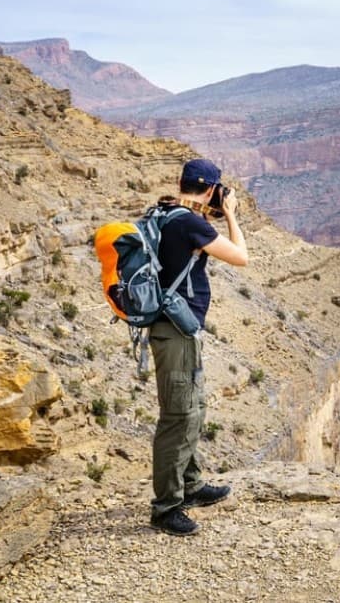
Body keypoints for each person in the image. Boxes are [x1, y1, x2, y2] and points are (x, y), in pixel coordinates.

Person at [148, 157, 248, 536]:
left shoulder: (166, 211)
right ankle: (166, 508)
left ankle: (190, 486)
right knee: (178, 415)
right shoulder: (190, 222)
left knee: (193, 406)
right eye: (217, 190)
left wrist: (210, 210)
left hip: (174, 328)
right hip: (174, 330)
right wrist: (231, 213)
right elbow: (241, 256)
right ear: (210, 189)